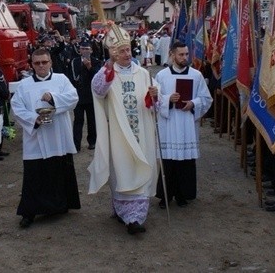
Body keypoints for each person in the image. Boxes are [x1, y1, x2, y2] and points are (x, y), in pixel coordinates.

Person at [88, 23, 160, 235]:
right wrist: (109, 67)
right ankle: (123, 212)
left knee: (141, 166)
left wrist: (154, 95)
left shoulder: (143, 73)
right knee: (122, 169)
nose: (127, 53)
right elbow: (98, 91)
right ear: (113, 53)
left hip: (142, 133)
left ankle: (135, 218)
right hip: (118, 132)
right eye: (121, 51)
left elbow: (155, 102)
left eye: (128, 49)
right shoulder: (108, 73)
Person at [11, 47, 80, 228]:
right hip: (36, 137)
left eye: (44, 62)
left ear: (50, 62)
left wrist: (53, 98)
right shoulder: (24, 85)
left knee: (59, 171)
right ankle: (29, 212)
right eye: (37, 63)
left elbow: (73, 98)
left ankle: (61, 205)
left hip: (59, 135)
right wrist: (35, 119)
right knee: (35, 175)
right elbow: (16, 108)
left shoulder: (61, 79)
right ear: (32, 65)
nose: (41, 66)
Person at [154, 41, 212, 208]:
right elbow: (155, 100)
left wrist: (193, 103)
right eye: (181, 54)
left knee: (185, 161)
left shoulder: (196, 75)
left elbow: (206, 98)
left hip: (187, 123)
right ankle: (165, 196)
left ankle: (183, 195)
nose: (184, 57)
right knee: (168, 161)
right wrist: (168, 100)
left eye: (187, 54)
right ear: (172, 55)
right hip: (170, 123)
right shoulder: (162, 76)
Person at [69, 39, 101, 152]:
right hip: (78, 96)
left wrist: (89, 67)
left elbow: (98, 77)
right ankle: (76, 144)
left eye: (87, 49)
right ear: (79, 50)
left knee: (92, 120)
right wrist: (83, 67)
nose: (85, 51)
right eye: (82, 49)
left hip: (91, 95)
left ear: (91, 50)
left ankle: (92, 142)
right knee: (78, 120)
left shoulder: (96, 61)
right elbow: (74, 77)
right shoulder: (75, 61)